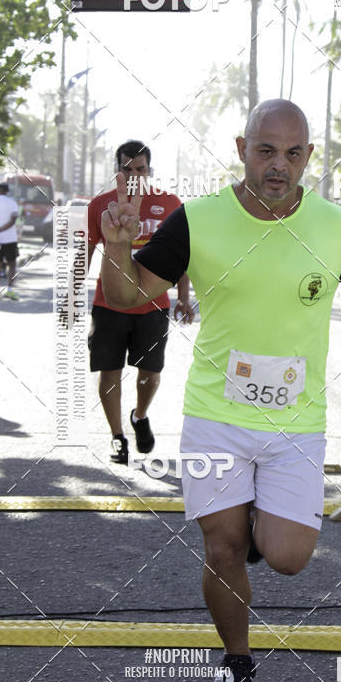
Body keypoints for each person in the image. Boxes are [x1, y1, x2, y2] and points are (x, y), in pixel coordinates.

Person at [98, 101, 341, 682]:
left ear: (308, 157)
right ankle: (237, 661)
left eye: (293, 153)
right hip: (215, 417)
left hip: (296, 424)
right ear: (241, 146)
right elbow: (128, 292)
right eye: (266, 150)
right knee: (221, 546)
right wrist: (118, 250)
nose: (279, 166)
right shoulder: (198, 220)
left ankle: (256, 525)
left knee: (288, 557)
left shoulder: (333, 225)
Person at [87, 140, 194, 465]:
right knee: (109, 372)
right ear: (117, 171)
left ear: (150, 170)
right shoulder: (101, 205)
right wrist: (72, 300)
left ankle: (140, 414)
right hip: (109, 305)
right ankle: (118, 437)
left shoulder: (171, 203)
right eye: (127, 169)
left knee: (149, 374)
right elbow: (84, 254)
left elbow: (182, 256)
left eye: (140, 169)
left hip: (153, 306)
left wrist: (184, 298)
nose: (133, 175)